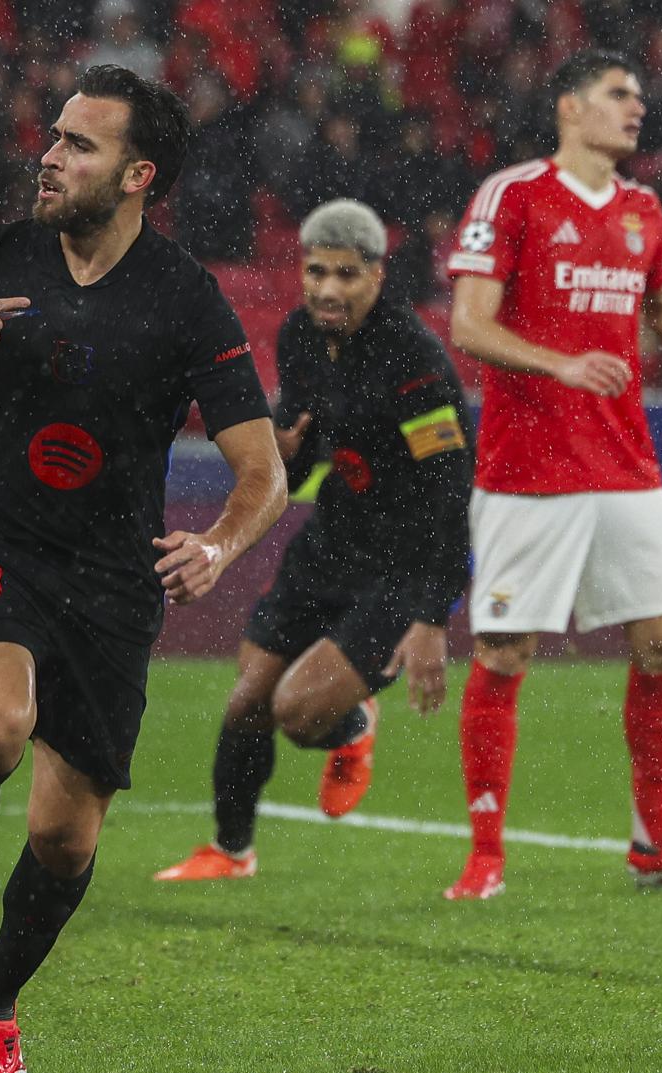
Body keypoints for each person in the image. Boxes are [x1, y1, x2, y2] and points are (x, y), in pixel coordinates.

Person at [0, 65, 284, 1073]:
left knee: (64, 833)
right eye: (54, 137)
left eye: (80, 145)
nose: (50, 155)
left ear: (139, 175)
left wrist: (218, 543)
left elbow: (260, 469)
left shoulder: (185, 299)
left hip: (114, 582)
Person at [443, 50, 662, 900]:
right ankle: (485, 854)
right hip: (528, 471)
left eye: (638, 96)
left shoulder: (641, 209)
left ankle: (654, 843)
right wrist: (559, 364)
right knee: (506, 649)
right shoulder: (513, 194)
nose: (636, 108)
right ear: (570, 107)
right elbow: (469, 326)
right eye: (617, 94)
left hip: (626, 464)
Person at [156, 199, 471, 883]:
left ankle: (352, 724)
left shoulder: (414, 363)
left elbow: (451, 495)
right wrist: (291, 455)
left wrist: (432, 616)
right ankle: (231, 852)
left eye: (348, 275)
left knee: (298, 713)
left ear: (377, 277)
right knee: (246, 704)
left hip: (399, 565)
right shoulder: (299, 333)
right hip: (330, 544)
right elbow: (300, 450)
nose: (329, 289)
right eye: (317, 271)